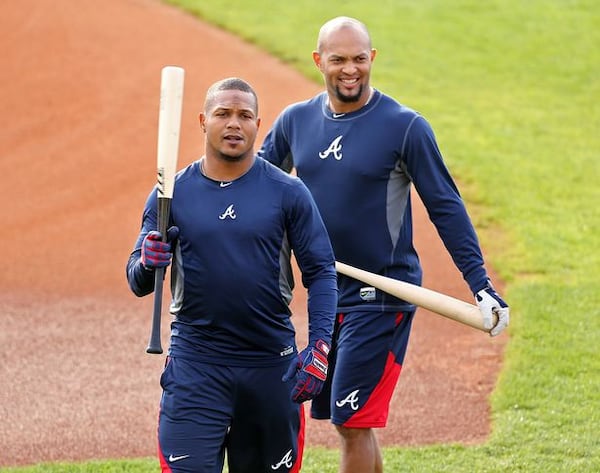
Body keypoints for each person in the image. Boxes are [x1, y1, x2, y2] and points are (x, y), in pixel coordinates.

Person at [259, 16, 510, 473]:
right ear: (319, 62)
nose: (350, 69)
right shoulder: (296, 121)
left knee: (352, 420)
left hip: (384, 297)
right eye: (338, 60)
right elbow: (255, 181)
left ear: (371, 59)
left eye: (359, 59)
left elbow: (446, 207)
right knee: (349, 422)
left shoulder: (404, 127)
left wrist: (480, 283)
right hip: (326, 294)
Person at [126, 77, 338, 473]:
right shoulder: (171, 193)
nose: (234, 124)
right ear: (204, 121)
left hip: (271, 367)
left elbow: (321, 271)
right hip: (196, 366)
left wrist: (321, 346)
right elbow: (137, 280)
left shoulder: (288, 192)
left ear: (259, 124)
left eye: (244, 116)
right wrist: (147, 262)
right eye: (223, 114)